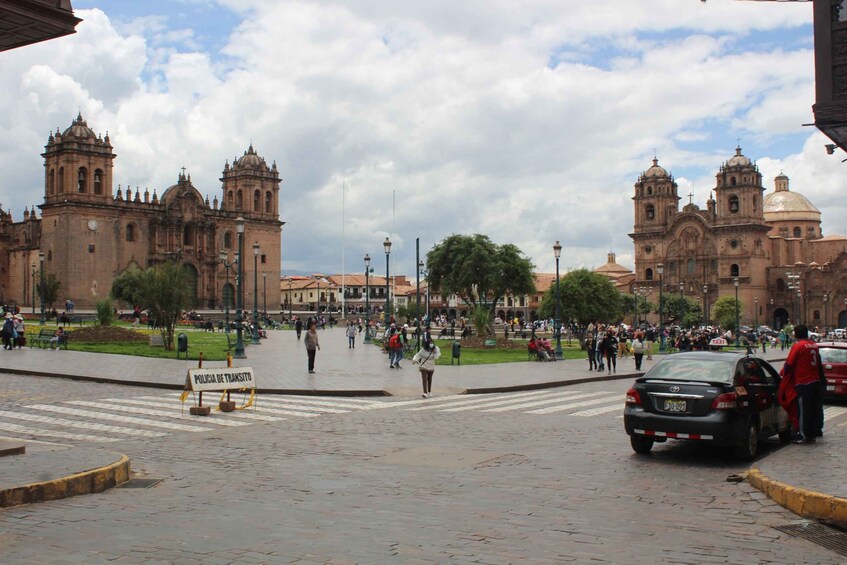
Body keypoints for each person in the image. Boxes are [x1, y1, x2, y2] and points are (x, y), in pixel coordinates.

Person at [778, 324, 825, 444]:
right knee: (812, 409)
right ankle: (812, 434)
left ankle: (803, 435)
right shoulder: (813, 345)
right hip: (815, 380)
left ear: (796, 334)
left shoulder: (798, 345)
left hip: (803, 382)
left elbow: (789, 364)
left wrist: (784, 376)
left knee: (803, 410)